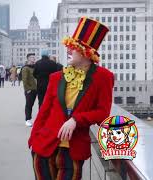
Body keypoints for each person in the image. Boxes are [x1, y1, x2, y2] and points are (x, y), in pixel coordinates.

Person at [28, 17, 114, 180]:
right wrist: (33, 139)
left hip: (73, 150)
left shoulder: (103, 77)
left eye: (72, 48)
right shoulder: (56, 77)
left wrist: (76, 119)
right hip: (44, 147)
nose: (67, 50)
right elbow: (44, 111)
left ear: (86, 52)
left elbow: (103, 113)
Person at [22, 53, 37, 127]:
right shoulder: (25, 68)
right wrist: (27, 89)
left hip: (36, 89)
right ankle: (27, 120)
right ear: (28, 59)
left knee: (32, 104)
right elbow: (24, 80)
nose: (33, 58)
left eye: (34, 57)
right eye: (32, 57)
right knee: (29, 104)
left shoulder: (35, 67)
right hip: (30, 90)